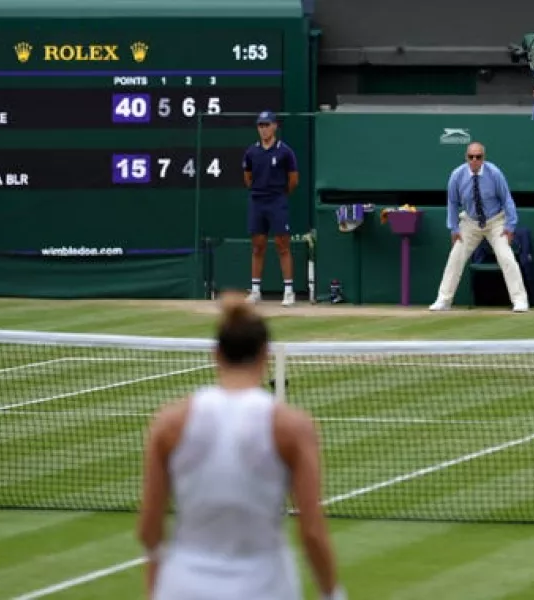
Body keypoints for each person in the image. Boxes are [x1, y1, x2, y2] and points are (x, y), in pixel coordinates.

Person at [137, 291, 344, 600]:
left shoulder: (169, 422)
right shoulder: (293, 427)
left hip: (184, 586)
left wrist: (161, 582)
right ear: (265, 355)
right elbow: (312, 532)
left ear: (216, 354)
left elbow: (149, 530)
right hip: (265, 588)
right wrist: (332, 594)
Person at [429, 142, 529, 313]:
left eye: (478, 157)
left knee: (506, 257)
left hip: (495, 221)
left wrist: (510, 225)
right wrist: (453, 228)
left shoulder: (494, 173)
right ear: (466, 157)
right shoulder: (457, 175)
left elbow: (506, 199)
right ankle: (443, 300)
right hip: (469, 222)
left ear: (484, 158)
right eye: (471, 157)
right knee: (455, 257)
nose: (474, 160)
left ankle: (520, 301)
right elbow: (452, 203)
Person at [243, 110, 299, 307]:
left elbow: (293, 180)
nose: (264, 129)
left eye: (267, 125)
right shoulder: (251, 152)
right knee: (258, 246)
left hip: (277, 201)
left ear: (275, 126)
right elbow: (247, 178)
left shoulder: (285, 151)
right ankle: (256, 291)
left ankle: (289, 291)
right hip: (257, 201)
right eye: (261, 125)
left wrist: (279, 194)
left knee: (282, 246)